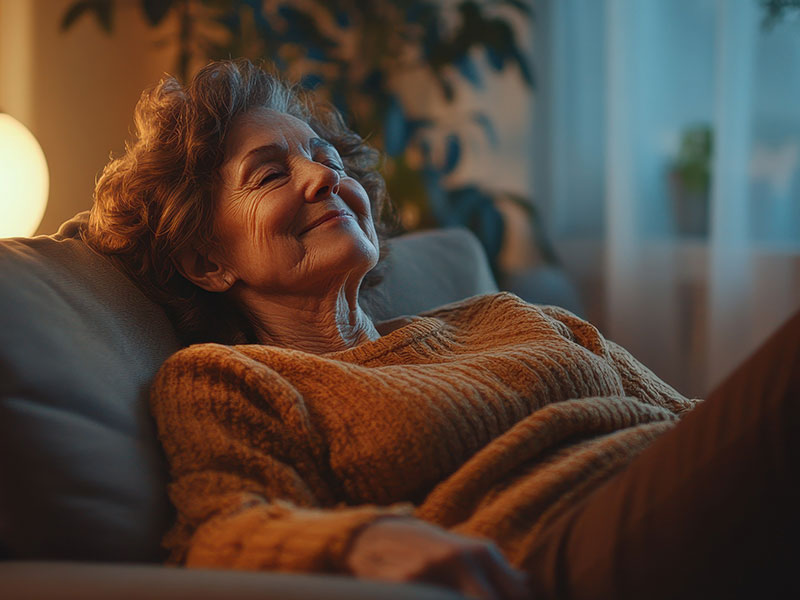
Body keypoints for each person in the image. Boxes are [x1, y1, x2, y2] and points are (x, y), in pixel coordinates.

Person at [82, 59, 799, 599]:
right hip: (564, 550)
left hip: (698, 505)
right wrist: (361, 540)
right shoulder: (232, 379)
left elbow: (705, 428)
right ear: (207, 260)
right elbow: (220, 527)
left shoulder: (508, 315)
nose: (323, 178)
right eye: (270, 174)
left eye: (328, 160)